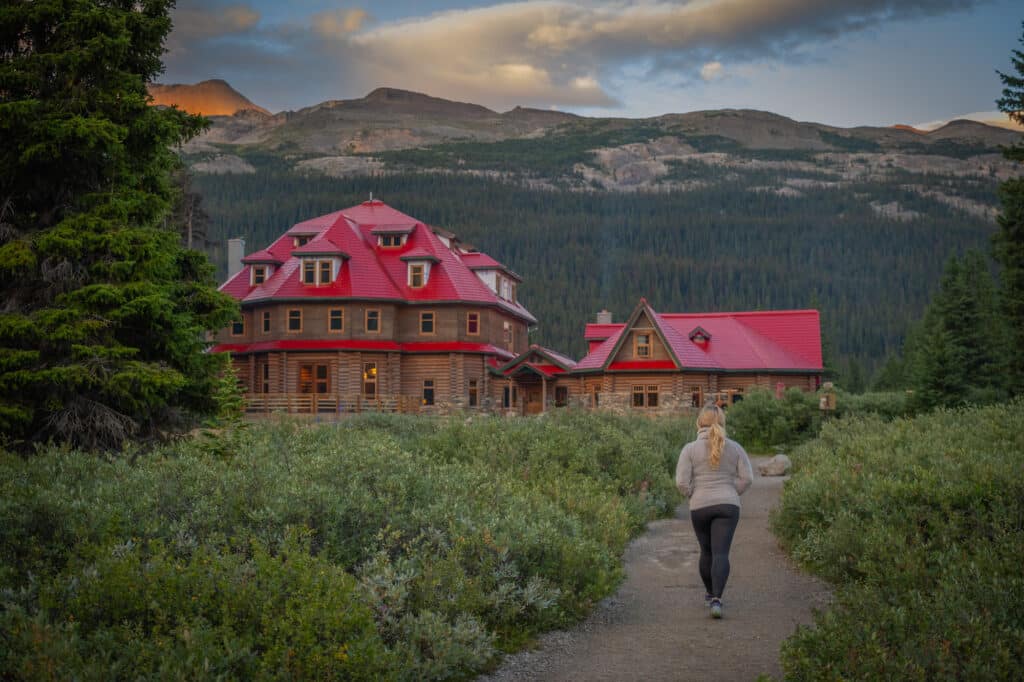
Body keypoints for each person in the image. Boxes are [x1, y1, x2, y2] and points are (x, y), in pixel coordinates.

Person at [675, 404, 754, 619]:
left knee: (706, 552)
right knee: (721, 553)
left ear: (699, 422)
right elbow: (748, 478)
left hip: (700, 505)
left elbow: (681, 481)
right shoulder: (735, 447)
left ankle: (709, 593)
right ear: (722, 422)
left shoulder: (689, 449)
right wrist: (731, 492)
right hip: (728, 505)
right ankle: (717, 600)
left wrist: (693, 494)